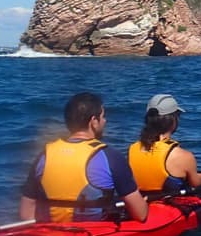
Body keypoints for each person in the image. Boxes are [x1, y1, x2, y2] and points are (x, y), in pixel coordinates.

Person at [20, 92, 148, 223]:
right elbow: (141, 214)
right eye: (103, 117)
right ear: (93, 122)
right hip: (93, 234)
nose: (105, 121)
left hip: (51, 234)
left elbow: (26, 214)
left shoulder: (44, 155)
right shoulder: (110, 157)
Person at [127, 93, 201, 193]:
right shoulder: (183, 156)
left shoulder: (132, 150)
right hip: (168, 204)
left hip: (141, 203)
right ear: (173, 120)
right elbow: (196, 183)